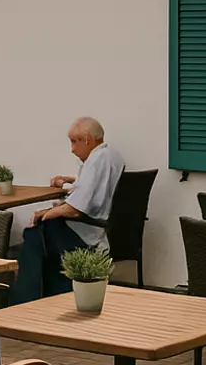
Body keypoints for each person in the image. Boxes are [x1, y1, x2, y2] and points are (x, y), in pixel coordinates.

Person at [8, 116, 126, 305]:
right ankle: (44, 296)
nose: (72, 149)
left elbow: (75, 209)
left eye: (74, 142)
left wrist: (45, 214)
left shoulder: (95, 162)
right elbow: (95, 188)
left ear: (87, 139)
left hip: (85, 232)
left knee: (34, 232)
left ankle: (26, 301)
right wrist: (72, 181)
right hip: (98, 225)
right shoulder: (109, 155)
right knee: (40, 229)